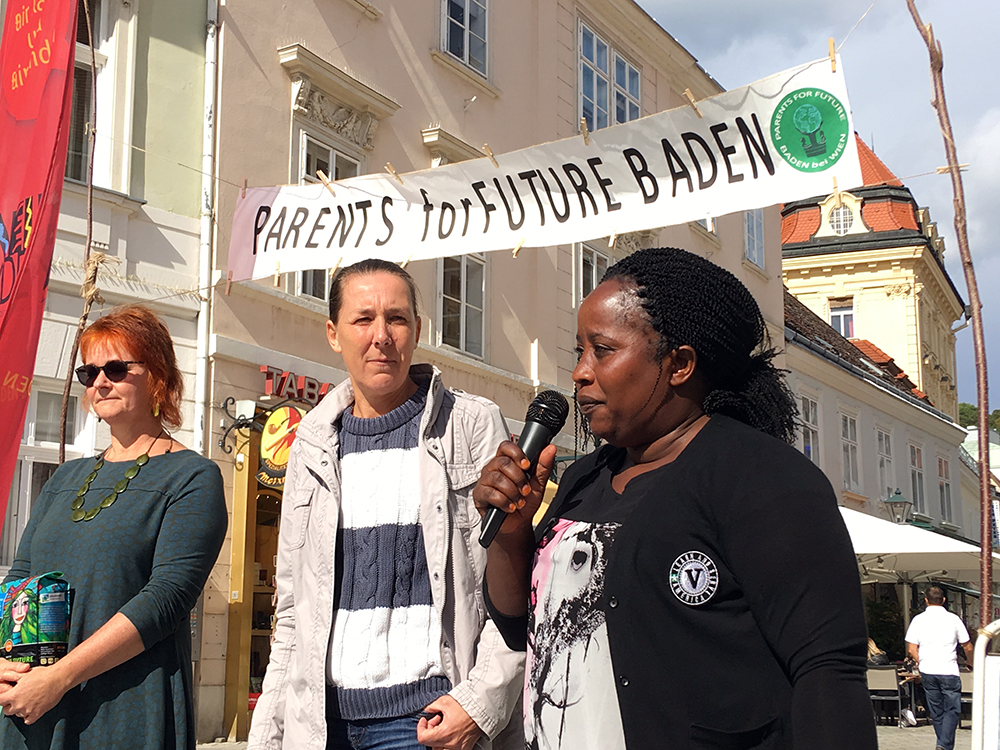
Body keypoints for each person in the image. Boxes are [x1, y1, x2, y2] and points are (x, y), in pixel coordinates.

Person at [474, 247, 877, 750]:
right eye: (579, 350)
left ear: (679, 363)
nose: (579, 371)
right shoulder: (583, 478)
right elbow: (521, 627)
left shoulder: (764, 478)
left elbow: (827, 670)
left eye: (601, 349)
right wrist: (511, 531)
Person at [247, 259, 523, 750]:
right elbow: (291, 612)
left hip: (427, 719)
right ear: (334, 333)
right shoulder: (310, 444)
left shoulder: (471, 426)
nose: (381, 335)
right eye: (363, 319)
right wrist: (268, 734)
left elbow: (513, 584)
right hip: (323, 724)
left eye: (396, 318)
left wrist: (480, 704)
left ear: (417, 330)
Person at [0, 305, 228, 750]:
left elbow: (165, 600)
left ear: (158, 375)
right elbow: (19, 578)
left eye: (116, 368)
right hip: (32, 704)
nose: (100, 382)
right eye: (89, 373)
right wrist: (4, 660)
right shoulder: (66, 477)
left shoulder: (191, 477)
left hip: (122, 708)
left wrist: (61, 677)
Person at [905, 585, 972, 750]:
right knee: (952, 709)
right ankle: (943, 744)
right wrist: (971, 662)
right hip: (949, 669)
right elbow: (967, 646)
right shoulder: (954, 619)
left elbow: (912, 649)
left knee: (936, 710)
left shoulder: (918, 620)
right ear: (943, 600)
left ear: (926, 601)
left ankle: (943, 744)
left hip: (928, 670)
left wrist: (923, 661)